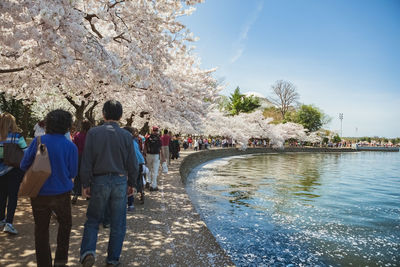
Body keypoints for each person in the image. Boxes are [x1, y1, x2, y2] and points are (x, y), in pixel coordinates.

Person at [79, 100, 138, 267]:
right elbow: (132, 163)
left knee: (92, 219)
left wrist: (85, 183)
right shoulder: (127, 135)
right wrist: (132, 183)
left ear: (103, 114)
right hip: (120, 180)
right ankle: (112, 259)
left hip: (99, 179)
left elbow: (87, 160)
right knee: (118, 222)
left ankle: (88, 252)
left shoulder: (93, 133)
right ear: (120, 116)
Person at [20, 109, 78, 267]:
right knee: (65, 225)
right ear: (67, 125)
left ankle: (44, 263)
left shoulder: (38, 141)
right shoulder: (70, 146)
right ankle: (60, 261)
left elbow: (24, 164)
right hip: (62, 193)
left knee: (41, 229)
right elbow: (73, 172)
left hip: (39, 192)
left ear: (48, 123)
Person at [0, 113, 27, 235]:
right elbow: (25, 152)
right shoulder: (17, 136)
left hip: (1, 171)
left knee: (1, 196)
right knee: (13, 197)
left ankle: (1, 219)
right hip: (14, 170)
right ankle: (9, 223)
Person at [123, 126, 145, 209]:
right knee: (131, 184)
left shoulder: (124, 142)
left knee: (126, 183)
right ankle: (131, 204)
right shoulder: (134, 142)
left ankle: (126, 202)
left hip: (127, 166)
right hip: (137, 164)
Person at [71, 120, 92, 204]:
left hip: (78, 156)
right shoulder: (91, 136)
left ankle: (76, 194)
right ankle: (88, 194)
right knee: (89, 175)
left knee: (78, 176)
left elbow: (73, 145)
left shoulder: (77, 135)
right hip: (89, 157)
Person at [144, 126, 162, 192]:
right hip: (156, 155)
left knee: (148, 168)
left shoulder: (148, 138)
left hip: (148, 155)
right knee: (155, 170)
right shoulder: (159, 138)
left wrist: (144, 154)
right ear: (157, 131)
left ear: (152, 130)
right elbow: (161, 148)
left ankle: (148, 181)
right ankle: (153, 185)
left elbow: (145, 147)